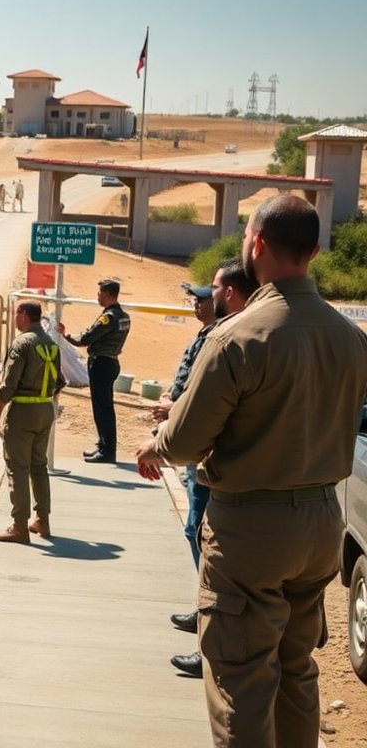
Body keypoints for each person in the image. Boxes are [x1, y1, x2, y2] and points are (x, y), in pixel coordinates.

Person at [136, 195, 367, 747]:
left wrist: (152, 447)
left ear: (256, 243)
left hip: (250, 530)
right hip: (322, 526)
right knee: (296, 671)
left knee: (240, 678)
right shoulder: (353, 339)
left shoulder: (236, 337)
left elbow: (188, 441)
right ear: (314, 250)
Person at [156, 259, 256, 678]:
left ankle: (212, 640)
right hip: (205, 461)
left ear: (227, 294)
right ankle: (205, 615)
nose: (200, 301)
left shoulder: (227, 340)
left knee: (210, 545)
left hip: (213, 463)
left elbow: (209, 405)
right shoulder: (217, 336)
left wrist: (170, 421)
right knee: (196, 533)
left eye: (207, 292)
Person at [0, 301, 66, 544]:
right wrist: (48, 406)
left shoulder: (22, 343)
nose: (15, 319)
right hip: (45, 410)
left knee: (18, 468)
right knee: (39, 466)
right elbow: (60, 382)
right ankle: (42, 520)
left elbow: (8, 385)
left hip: (23, 411)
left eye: (16, 315)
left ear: (23, 315)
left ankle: (19, 527)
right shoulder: (52, 345)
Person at [57, 279, 131, 463]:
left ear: (107, 294)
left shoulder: (109, 317)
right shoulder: (123, 316)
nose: (97, 296)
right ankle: (103, 444)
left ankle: (107, 451)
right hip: (111, 362)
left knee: (102, 408)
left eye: (99, 293)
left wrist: (66, 336)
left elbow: (87, 338)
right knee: (103, 407)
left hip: (101, 364)